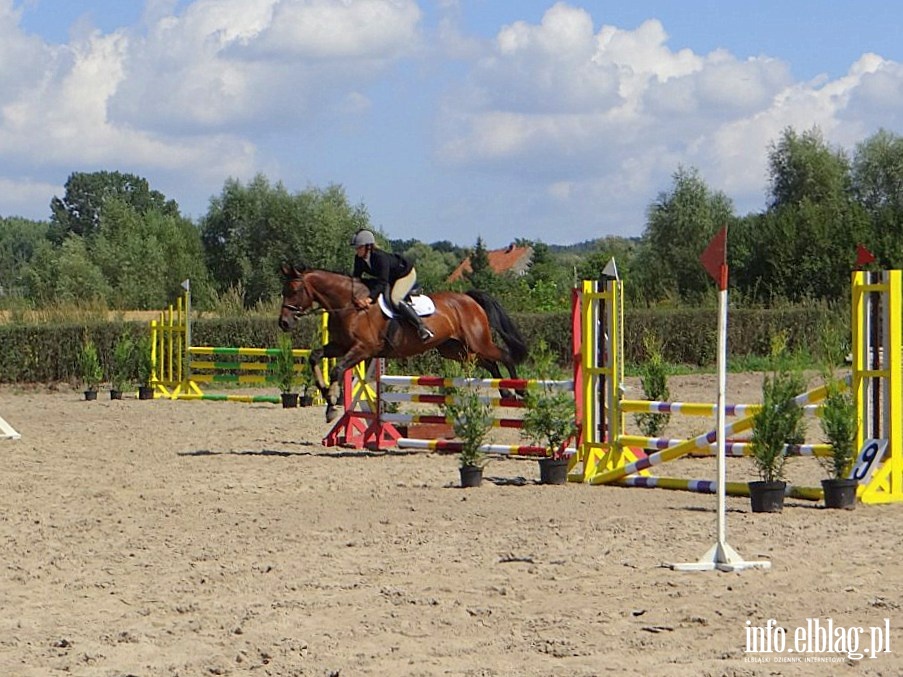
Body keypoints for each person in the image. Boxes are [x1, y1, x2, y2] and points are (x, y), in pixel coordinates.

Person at [350, 229, 434, 341]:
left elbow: (382, 282)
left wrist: (369, 299)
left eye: (359, 247)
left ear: (368, 247)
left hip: (404, 274)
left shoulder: (380, 258)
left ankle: (421, 327)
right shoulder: (359, 259)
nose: (357, 250)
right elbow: (356, 279)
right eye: (356, 247)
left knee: (395, 299)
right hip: (390, 277)